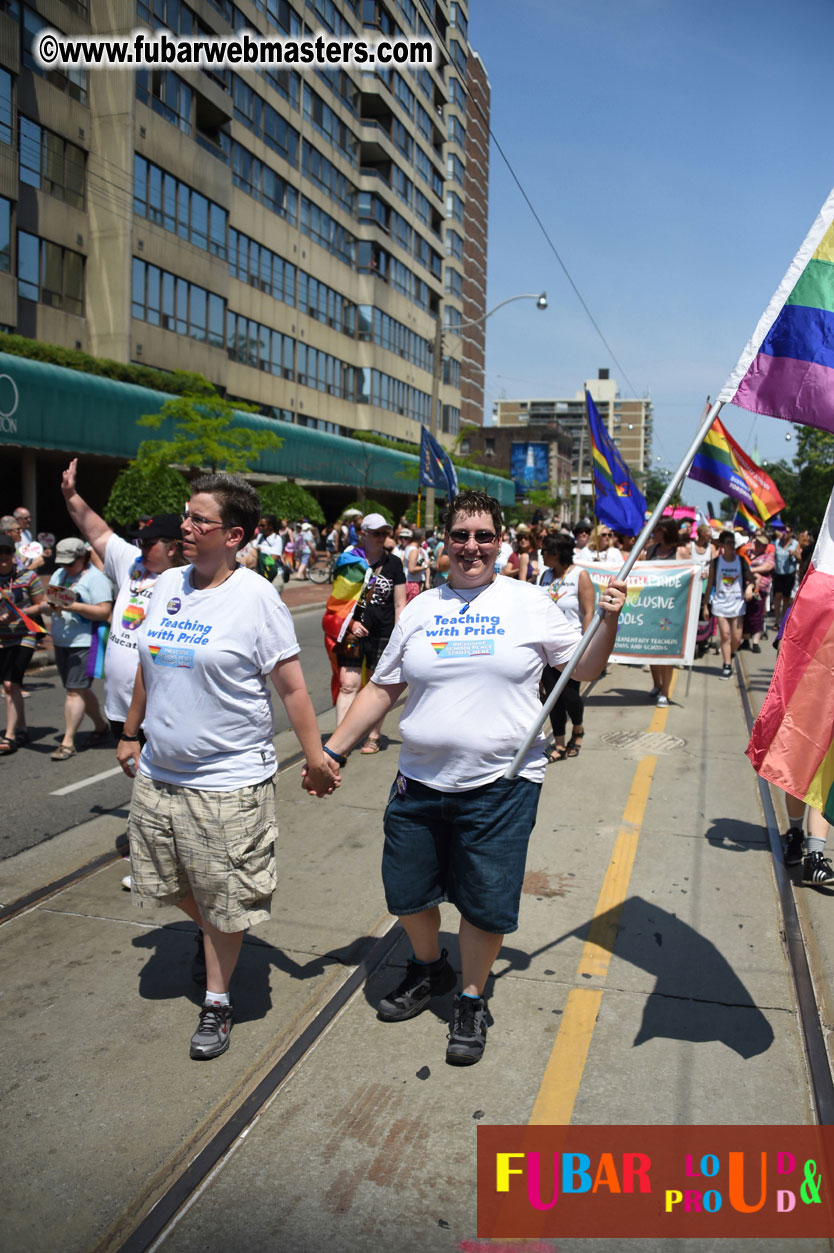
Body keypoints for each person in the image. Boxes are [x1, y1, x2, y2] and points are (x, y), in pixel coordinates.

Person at [318, 490, 626, 1066]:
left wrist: (607, 620)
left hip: (502, 784)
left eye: (484, 536)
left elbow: (585, 667)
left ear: (500, 542)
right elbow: (383, 688)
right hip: (419, 781)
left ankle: (470, 997)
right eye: (461, 535)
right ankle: (429, 967)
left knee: (484, 903)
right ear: (445, 542)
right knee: (407, 893)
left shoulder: (530, 603)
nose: (472, 546)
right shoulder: (420, 609)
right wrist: (333, 750)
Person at [115, 473, 338, 1061]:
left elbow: (292, 688)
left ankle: (218, 1001)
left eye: (198, 520)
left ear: (234, 535)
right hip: (159, 773)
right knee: (164, 883)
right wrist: (130, 732)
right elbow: (149, 664)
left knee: (227, 896)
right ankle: (216, 929)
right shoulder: (166, 584)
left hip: (227, 780)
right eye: (185, 515)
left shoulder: (256, 597)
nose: (184, 527)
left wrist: (316, 757)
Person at [322, 512, 406, 755]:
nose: (381, 537)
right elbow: (338, 602)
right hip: (353, 634)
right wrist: (350, 624)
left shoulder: (394, 563)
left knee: (376, 685)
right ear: (363, 535)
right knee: (348, 684)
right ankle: (340, 742)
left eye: (385, 533)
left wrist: (398, 636)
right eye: (376, 533)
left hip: (383, 633)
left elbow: (399, 603)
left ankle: (373, 735)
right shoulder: (348, 562)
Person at [47, 538, 113, 759]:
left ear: (83, 557)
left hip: (84, 641)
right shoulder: (59, 574)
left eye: (70, 563)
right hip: (61, 640)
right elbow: (51, 597)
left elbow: (104, 611)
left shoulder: (96, 578)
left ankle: (67, 742)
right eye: (63, 563)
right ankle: (101, 727)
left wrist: (73, 606)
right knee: (78, 689)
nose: (66, 567)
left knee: (74, 691)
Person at [538, 534, 595, 760]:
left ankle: (578, 729)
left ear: (556, 553)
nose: (541, 555)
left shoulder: (579, 575)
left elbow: (588, 612)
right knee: (552, 696)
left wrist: (585, 644)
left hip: (571, 646)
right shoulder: (545, 576)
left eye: (544, 551)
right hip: (547, 645)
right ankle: (559, 744)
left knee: (570, 695)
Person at [0, 534, 46, 753]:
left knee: (10, 684)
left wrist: (20, 612)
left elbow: (42, 605)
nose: (2, 556)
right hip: (2, 638)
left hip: (24, 635)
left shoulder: (28, 577)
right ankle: (22, 729)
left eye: (7, 552)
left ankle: (9, 736)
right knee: (12, 686)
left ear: (13, 554)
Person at [704, 529, 755, 679]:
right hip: (720, 603)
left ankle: (731, 653)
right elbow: (709, 585)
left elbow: (752, 579)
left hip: (737, 604)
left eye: (733, 543)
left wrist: (750, 588)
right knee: (725, 635)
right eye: (728, 543)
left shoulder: (741, 561)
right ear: (721, 545)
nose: (731, 546)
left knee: (737, 638)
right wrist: (705, 605)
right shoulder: (716, 562)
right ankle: (727, 665)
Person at [741, 530, 775, 652]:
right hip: (743, 586)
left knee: (756, 615)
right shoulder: (748, 552)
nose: (760, 545)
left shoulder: (768, 556)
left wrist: (750, 570)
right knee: (744, 614)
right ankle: (745, 640)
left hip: (760, 589)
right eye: (758, 543)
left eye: (763, 544)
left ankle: (755, 642)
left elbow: (767, 567)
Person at [771, 525, 799, 626]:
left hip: (789, 574)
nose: (785, 533)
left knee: (786, 598)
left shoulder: (795, 544)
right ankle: (776, 621)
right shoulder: (777, 542)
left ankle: (783, 621)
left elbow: (799, 559)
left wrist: (794, 554)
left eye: (787, 532)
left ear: (791, 533)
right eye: (783, 531)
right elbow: (772, 555)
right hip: (778, 573)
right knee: (777, 596)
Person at [404, 527, 429, 601]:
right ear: (422, 537)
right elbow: (411, 569)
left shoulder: (409, 547)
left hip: (409, 582)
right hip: (412, 584)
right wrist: (425, 566)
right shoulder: (414, 550)